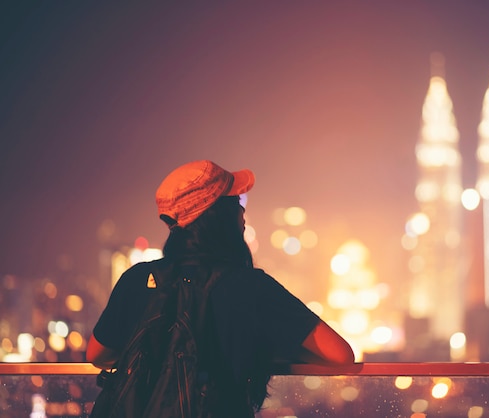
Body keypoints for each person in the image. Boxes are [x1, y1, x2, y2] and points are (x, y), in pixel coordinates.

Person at [86, 160, 355, 417]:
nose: (243, 211)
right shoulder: (252, 287)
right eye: (236, 202)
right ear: (219, 216)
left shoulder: (137, 279)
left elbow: (97, 355)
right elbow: (340, 355)